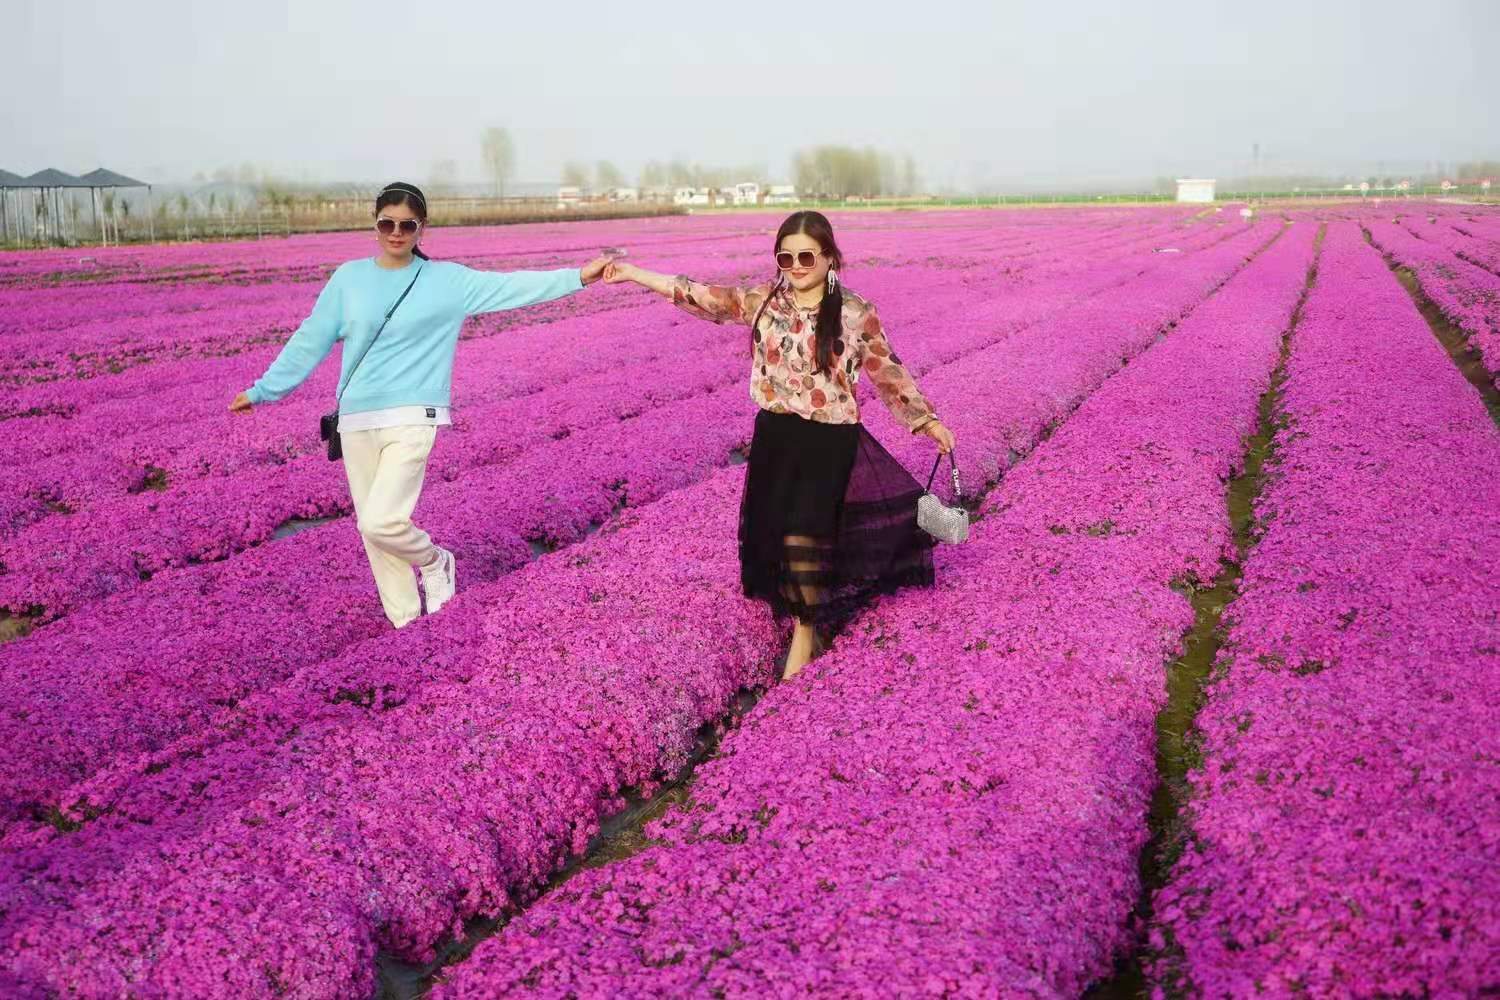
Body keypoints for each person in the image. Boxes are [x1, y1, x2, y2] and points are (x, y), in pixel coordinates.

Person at [230, 181, 610, 628]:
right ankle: (408, 627)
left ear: (421, 228)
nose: (396, 233)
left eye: (406, 225)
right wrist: (263, 389)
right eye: (386, 223)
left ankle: (435, 562)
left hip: (414, 418)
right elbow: (310, 339)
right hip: (356, 420)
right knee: (374, 536)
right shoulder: (349, 279)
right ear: (374, 225)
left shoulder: (447, 281)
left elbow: (513, 287)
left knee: (380, 521)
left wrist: (579, 277)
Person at [604, 211, 955, 679]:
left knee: (804, 536)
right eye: (785, 256)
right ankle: (808, 625)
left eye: (806, 255)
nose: (795, 264)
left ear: (829, 257)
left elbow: (886, 371)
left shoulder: (854, 312)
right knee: (778, 535)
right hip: (776, 435)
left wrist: (925, 421)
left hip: (828, 439)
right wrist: (631, 273)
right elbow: (700, 295)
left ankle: (804, 636)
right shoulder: (764, 301)